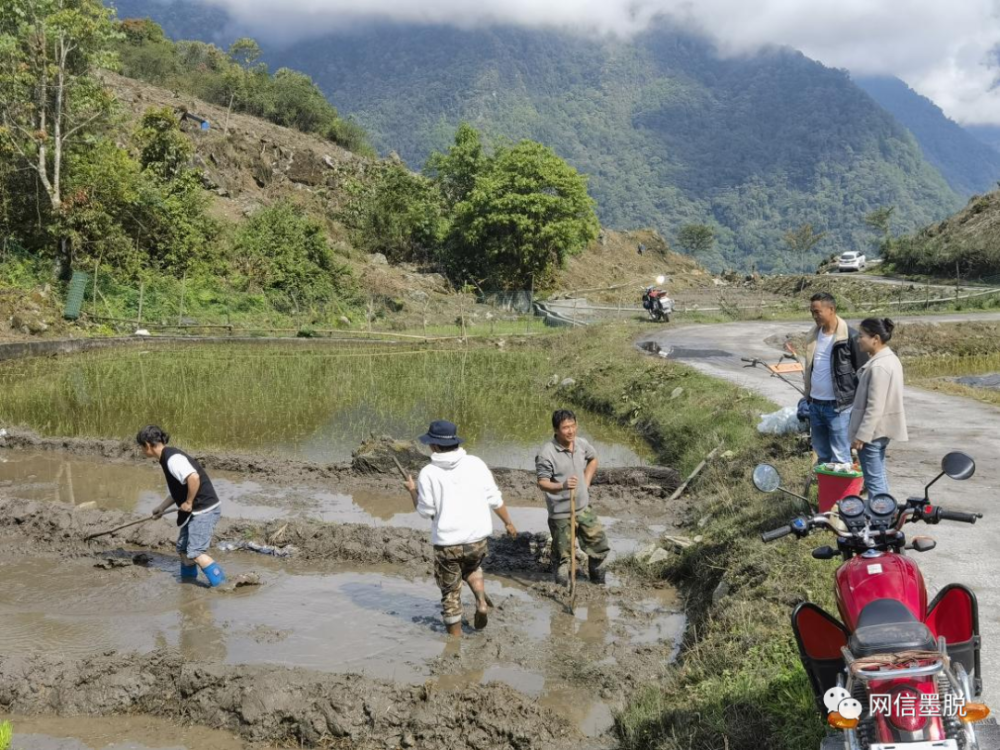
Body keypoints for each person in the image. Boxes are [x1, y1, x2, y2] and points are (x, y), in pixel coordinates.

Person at [403, 420, 518, 637]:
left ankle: (454, 646)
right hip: (477, 541)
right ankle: (481, 602)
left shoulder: (428, 473)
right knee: (472, 569)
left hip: (448, 545)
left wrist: (412, 490)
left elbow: (426, 512)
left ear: (434, 446)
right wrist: (508, 523)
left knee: (450, 594)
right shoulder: (476, 463)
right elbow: (495, 499)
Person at [137, 425, 226, 587]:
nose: (142, 451)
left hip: (203, 510)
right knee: (183, 549)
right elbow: (179, 489)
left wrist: (189, 502)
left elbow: (194, 478)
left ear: (148, 445)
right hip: (196, 511)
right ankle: (188, 583)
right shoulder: (166, 458)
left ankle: (222, 585)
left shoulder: (172, 459)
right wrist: (162, 507)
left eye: (141, 447)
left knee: (196, 553)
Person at [535, 409, 610, 586]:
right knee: (564, 558)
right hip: (561, 513)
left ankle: (598, 585)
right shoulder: (546, 453)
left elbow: (593, 459)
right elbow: (542, 483)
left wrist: (586, 481)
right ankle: (563, 592)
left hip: (583, 508)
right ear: (555, 430)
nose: (570, 431)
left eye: (573, 426)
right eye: (565, 428)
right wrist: (562, 486)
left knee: (599, 548)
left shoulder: (581, 444)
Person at [802, 292, 868, 465]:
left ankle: (843, 493)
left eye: (817, 312)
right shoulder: (813, 336)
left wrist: (861, 409)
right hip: (816, 405)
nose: (814, 316)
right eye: (812, 312)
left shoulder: (850, 337)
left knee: (840, 458)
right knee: (822, 456)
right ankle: (826, 491)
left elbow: (863, 374)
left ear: (831, 309)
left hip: (839, 408)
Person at [849, 318, 908, 498]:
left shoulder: (879, 366)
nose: (858, 340)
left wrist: (862, 435)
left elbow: (875, 406)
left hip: (873, 434)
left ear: (875, 338)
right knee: (879, 477)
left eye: (861, 336)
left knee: (874, 483)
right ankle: (885, 514)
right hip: (879, 432)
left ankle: (880, 518)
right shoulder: (889, 359)